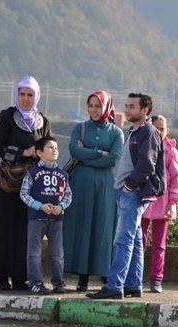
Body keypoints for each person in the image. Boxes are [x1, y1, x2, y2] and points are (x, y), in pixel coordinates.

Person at [87, 93, 164, 299]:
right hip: (128, 192)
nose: (127, 110)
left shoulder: (148, 132)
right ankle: (132, 284)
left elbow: (147, 164)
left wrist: (130, 186)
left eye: (132, 107)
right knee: (136, 240)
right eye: (126, 106)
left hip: (134, 193)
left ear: (144, 111)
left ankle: (114, 286)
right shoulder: (135, 131)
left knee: (123, 240)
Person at [0, 76, 51, 290]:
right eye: (22, 94)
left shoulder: (43, 121)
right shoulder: (7, 116)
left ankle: (21, 276)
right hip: (8, 183)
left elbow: (48, 147)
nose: (26, 98)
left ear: (37, 96)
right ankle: (1, 276)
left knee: (25, 229)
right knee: (4, 226)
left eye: (30, 94)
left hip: (32, 184)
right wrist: (23, 152)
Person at [63, 91, 123, 291]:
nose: (94, 110)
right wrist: (98, 153)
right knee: (82, 225)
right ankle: (82, 276)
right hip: (80, 184)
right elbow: (74, 150)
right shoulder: (79, 128)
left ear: (106, 107)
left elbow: (113, 159)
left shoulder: (116, 132)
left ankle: (104, 272)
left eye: (98, 106)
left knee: (102, 226)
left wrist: (86, 153)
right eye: (91, 106)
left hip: (105, 186)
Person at [20, 136, 72, 294]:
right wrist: (40, 206)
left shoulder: (63, 174)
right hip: (37, 218)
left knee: (58, 253)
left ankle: (58, 283)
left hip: (56, 219)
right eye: (50, 147)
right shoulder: (33, 172)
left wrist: (60, 206)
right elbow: (24, 194)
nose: (54, 150)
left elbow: (68, 196)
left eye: (56, 148)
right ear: (39, 152)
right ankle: (36, 283)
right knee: (34, 252)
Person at [141, 115, 178, 293]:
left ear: (167, 130)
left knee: (159, 245)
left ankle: (156, 279)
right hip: (143, 201)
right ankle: (135, 277)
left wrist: (173, 202)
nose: (159, 131)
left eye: (162, 128)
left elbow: (176, 178)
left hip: (163, 202)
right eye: (155, 128)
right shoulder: (143, 146)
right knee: (138, 242)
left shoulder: (170, 150)